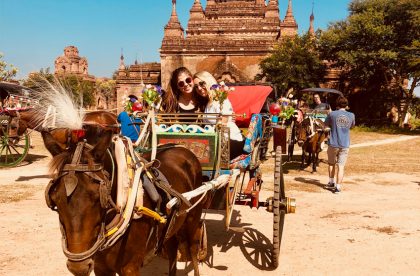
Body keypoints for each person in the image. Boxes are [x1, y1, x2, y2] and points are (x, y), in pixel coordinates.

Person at [193, 71, 245, 159]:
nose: (199, 88)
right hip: (216, 140)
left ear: (208, 81)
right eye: (196, 86)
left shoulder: (221, 99)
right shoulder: (208, 103)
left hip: (230, 141)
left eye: (202, 84)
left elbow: (223, 124)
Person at [324, 96, 355, 193]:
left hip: (333, 143)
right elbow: (352, 126)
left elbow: (325, 127)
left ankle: (331, 182)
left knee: (331, 164)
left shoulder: (332, 114)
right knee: (341, 166)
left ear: (337, 104)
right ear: (346, 105)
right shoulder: (351, 115)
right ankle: (338, 187)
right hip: (345, 144)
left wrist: (328, 129)